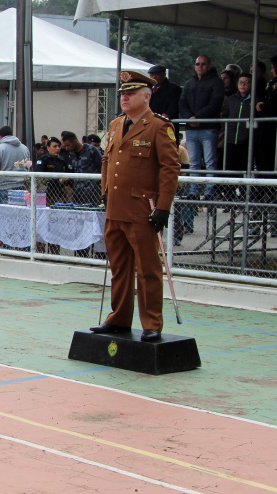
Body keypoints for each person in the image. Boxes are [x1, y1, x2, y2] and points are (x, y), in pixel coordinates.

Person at [90, 71, 179, 343]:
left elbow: (170, 168)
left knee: (147, 269)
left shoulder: (159, 127)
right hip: (116, 209)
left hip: (143, 210)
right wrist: (105, 193)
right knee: (119, 267)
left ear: (147, 96)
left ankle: (152, 322)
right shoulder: (116, 125)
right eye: (122, 93)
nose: (124, 97)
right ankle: (118, 318)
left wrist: (163, 206)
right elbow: (107, 161)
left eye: (130, 93)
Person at [179, 55, 224, 202]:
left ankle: (209, 191)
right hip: (192, 129)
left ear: (209, 65)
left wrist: (197, 117)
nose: (200, 66)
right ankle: (194, 191)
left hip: (208, 127)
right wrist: (189, 118)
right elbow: (182, 103)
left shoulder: (216, 82)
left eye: (203, 64)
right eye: (197, 64)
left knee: (210, 161)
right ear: (194, 66)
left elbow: (216, 103)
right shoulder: (189, 83)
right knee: (194, 162)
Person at [60, 130, 103, 204]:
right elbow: (72, 171)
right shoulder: (71, 154)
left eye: (68, 145)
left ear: (75, 142)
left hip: (93, 194)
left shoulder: (92, 150)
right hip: (77, 194)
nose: (66, 148)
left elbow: (102, 167)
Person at [0, 125, 30, 204]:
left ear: (0, 136)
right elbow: (27, 167)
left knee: (4, 214)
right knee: (21, 213)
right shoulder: (24, 148)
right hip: (22, 186)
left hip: (3, 187)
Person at [34, 136, 72, 207]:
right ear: (48, 147)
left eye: (59, 146)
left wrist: (66, 179)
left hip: (60, 195)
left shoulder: (62, 161)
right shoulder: (43, 160)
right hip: (47, 195)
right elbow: (39, 177)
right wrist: (57, 180)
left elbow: (69, 173)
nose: (57, 148)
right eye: (55, 146)